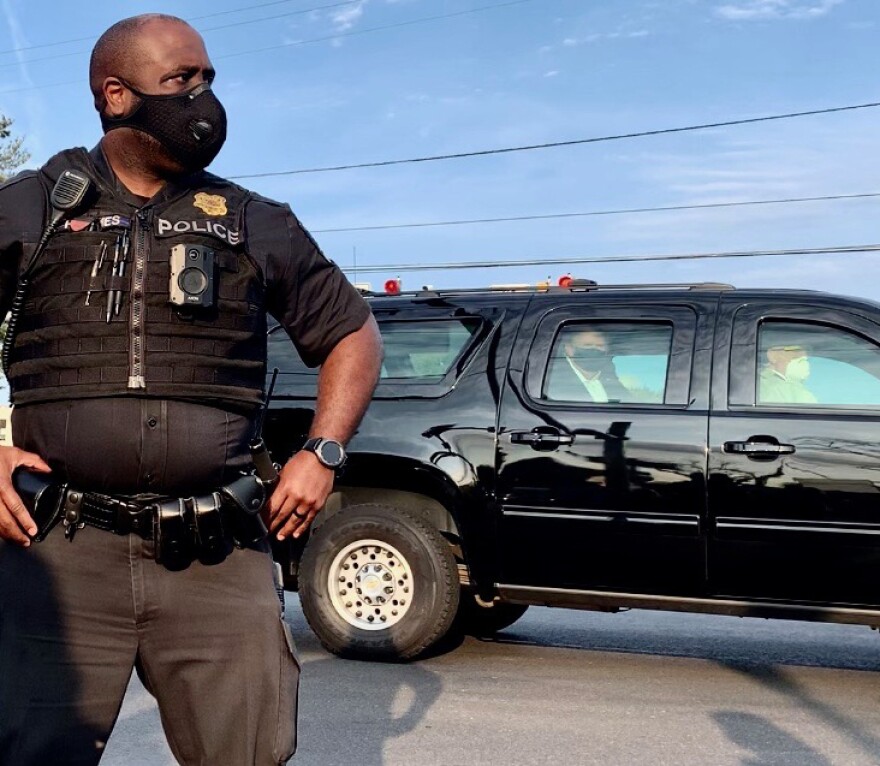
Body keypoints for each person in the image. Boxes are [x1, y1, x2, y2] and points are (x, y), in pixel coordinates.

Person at [0, 13, 382, 766]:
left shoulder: (252, 221)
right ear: (116, 96)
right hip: (59, 552)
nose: (203, 99)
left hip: (216, 554)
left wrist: (323, 451)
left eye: (207, 78)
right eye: (182, 81)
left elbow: (352, 333)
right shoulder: (33, 207)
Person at [545, 328, 631, 402]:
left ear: (606, 351)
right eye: (587, 345)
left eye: (600, 346)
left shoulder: (610, 379)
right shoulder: (552, 381)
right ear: (569, 349)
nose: (594, 350)